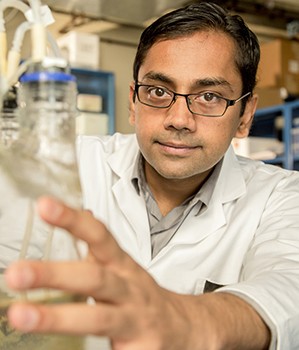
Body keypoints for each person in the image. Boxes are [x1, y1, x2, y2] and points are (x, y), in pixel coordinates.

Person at [4, 1, 299, 349]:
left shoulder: (280, 196)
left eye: (208, 96)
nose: (178, 119)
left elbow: (288, 288)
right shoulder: (66, 163)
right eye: (159, 91)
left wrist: (191, 320)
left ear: (246, 114)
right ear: (133, 101)